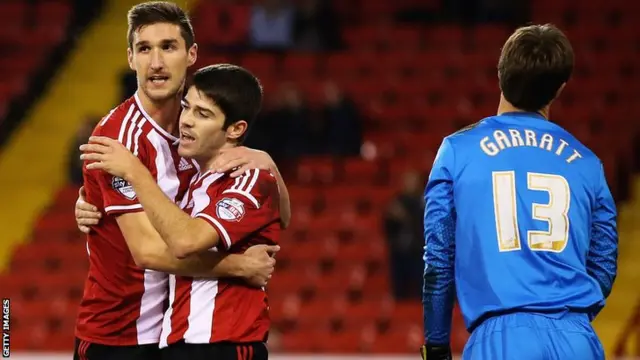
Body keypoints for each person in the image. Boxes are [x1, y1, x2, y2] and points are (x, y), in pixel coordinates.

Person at [72, 3, 291, 360]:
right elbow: (146, 251)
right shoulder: (119, 140)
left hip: (175, 333)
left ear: (191, 55)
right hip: (120, 335)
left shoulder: (196, 131)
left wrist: (269, 163)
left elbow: (280, 215)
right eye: (144, 49)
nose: (156, 62)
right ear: (130, 58)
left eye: (168, 47)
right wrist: (237, 266)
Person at [421, 24, 618, 360]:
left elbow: (438, 259)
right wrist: (568, 316)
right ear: (559, 89)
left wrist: (437, 345)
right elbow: (603, 262)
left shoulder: (456, 151)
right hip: (577, 339)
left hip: (500, 339)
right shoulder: (587, 163)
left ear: (500, 73)